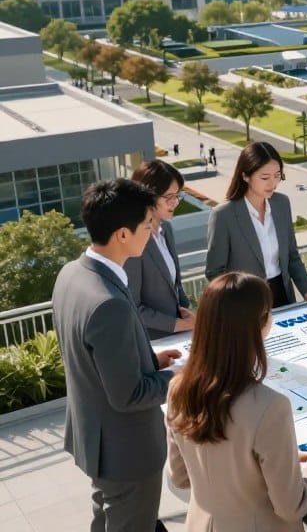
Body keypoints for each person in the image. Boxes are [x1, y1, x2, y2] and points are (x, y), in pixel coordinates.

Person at [52, 178, 182, 531]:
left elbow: (91, 357)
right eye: (146, 225)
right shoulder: (109, 303)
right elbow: (130, 396)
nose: (151, 231)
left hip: (96, 440)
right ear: (123, 234)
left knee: (107, 519)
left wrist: (149, 362)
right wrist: (181, 377)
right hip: (127, 453)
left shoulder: (71, 275)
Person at [167, 271, 307, 531]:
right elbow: (290, 505)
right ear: (260, 324)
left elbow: (179, 475)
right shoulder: (270, 406)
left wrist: (272, 462)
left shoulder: (178, 389)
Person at [206, 141, 307, 308]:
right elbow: (214, 272)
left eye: (277, 176)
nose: (273, 184)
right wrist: (236, 303)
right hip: (245, 303)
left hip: (282, 295)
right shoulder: (223, 215)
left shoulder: (282, 203)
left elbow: (292, 256)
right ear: (245, 176)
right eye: (265, 177)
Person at [125, 160, 195, 339]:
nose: (175, 203)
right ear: (147, 196)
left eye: (178, 196)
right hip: (151, 341)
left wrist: (188, 314)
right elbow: (133, 306)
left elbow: (175, 287)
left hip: (180, 335)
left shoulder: (166, 229)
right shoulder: (134, 240)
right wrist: (178, 324)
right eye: (168, 197)